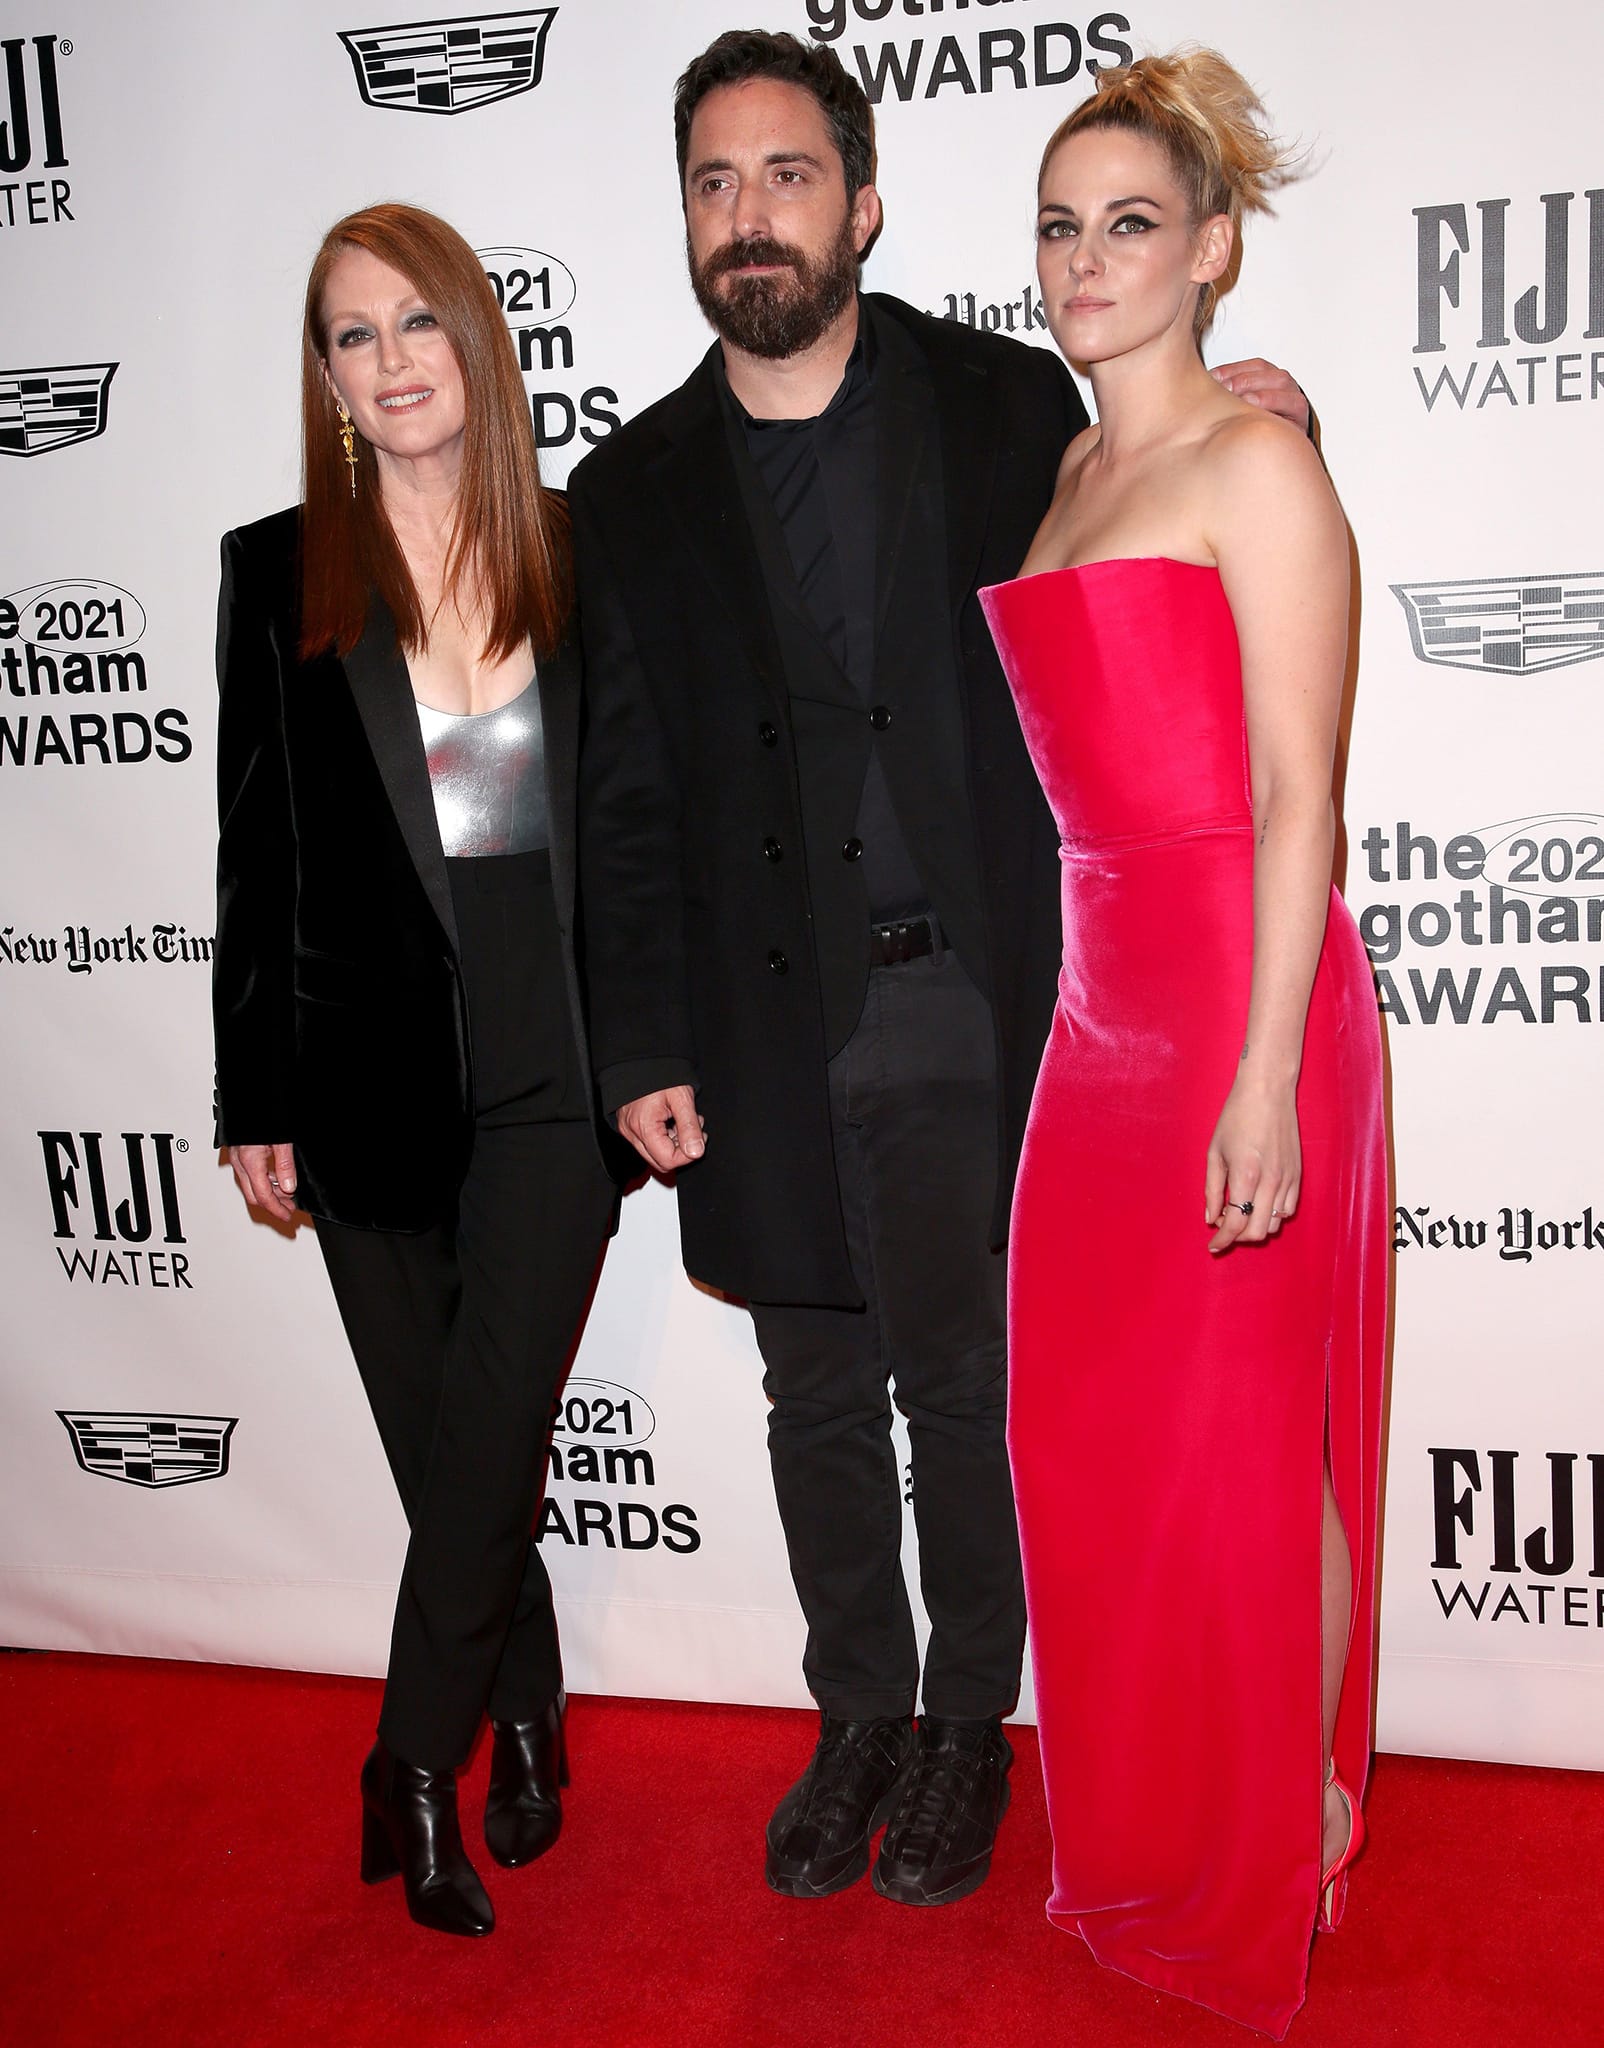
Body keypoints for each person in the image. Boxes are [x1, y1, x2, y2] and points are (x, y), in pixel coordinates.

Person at [570, 30, 1310, 1908]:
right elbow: (629, 792)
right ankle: (858, 1717)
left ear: (863, 201)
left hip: (981, 1001)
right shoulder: (630, 488)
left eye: (789, 176)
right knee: (812, 1391)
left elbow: (1185, 546)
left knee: (966, 1390)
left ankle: (970, 1723)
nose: (753, 216)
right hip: (760, 1016)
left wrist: (1279, 416)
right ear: (685, 219)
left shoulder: (1010, 407)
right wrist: (640, 1035)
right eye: (716, 184)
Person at [979, 51, 1385, 2034]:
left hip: (1248, 993)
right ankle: (1145, 1808)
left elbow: (1303, 795)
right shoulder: (1064, 477)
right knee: (1093, 1437)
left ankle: (1289, 1800)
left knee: (1246, 1441)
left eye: (1130, 220)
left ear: (1213, 249)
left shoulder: (1255, 464)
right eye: (1058, 225)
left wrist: (1257, 1070)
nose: (1084, 259)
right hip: (1097, 1014)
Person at [213, 203, 624, 1938]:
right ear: (324, 377)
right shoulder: (279, 566)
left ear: (474, 338)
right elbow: (255, 853)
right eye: (348, 337)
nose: (385, 364)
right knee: (454, 1452)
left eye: (412, 325)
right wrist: (254, 1099)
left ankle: (409, 1762)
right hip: (363, 1083)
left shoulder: (574, 551)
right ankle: (523, 1712)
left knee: (488, 1429)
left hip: (553, 1073)